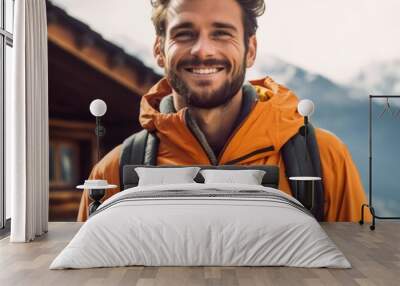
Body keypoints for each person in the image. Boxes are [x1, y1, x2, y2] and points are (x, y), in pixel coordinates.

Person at [78, 0, 370, 222]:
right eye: (184, 34)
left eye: (221, 33)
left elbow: (359, 259)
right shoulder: (112, 171)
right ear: (159, 50)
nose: (202, 50)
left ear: (250, 49)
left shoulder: (325, 157)